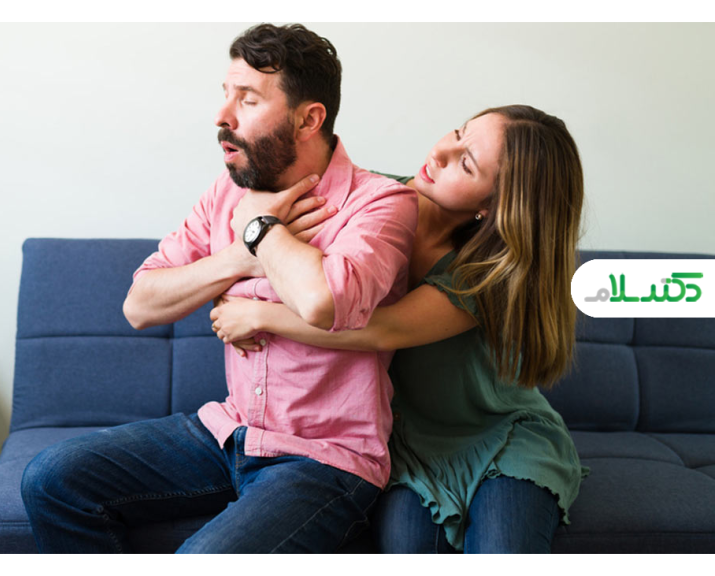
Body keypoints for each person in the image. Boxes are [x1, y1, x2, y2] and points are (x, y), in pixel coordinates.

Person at [21, 23, 418, 553]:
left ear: (309, 119)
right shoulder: (228, 193)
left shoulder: (380, 203)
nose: (222, 116)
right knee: (50, 479)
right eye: (226, 93)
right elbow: (140, 304)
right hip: (229, 431)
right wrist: (237, 256)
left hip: (324, 459)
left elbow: (323, 301)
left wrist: (260, 229)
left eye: (247, 99)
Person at [209, 104, 588, 553]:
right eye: (457, 132)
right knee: (405, 544)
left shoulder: (488, 273)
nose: (440, 152)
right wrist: (230, 287)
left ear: (492, 207)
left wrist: (261, 316)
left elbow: (379, 330)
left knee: (503, 544)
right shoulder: (374, 199)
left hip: (498, 435)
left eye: (466, 163)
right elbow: (283, 263)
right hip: (406, 445)